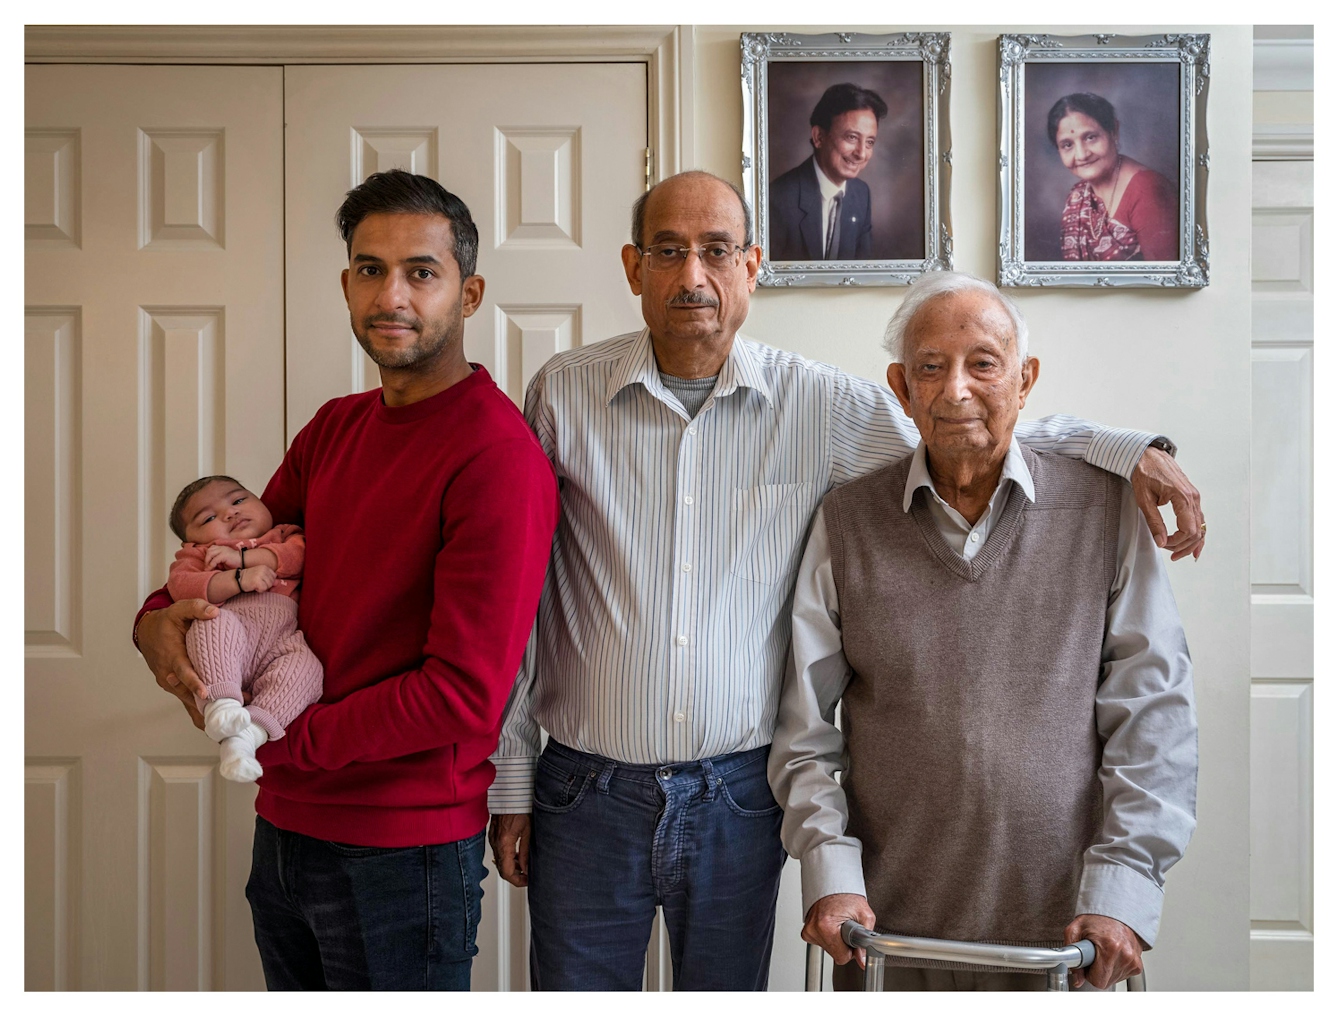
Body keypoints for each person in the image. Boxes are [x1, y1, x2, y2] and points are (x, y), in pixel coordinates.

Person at [486, 170, 1206, 991]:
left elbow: (964, 429)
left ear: (753, 265)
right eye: (668, 251)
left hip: (738, 795)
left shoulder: (819, 403)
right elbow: (520, 596)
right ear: (632, 265)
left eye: (717, 251)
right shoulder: (561, 394)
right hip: (585, 790)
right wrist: (511, 772)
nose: (693, 276)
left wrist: (1123, 449)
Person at [133, 170, 559, 990]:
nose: (390, 294)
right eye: (370, 269)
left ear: (467, 295)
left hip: (402, 853)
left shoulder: (497, 460)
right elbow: (242, 551)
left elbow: (463, 694)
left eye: (420, 272)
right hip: (284, 829)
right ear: (345, 284)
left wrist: (286, 739)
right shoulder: (336, 426)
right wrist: (156, 618)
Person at [768, 271, 1198, 991]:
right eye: (930, 368)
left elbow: (1154, 713)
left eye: (983, 364)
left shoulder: (1102, 510)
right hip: (886, 937)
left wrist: (1122, 889)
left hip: (1068, 937)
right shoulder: (847, 521)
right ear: (901, 389)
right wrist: (829, 875)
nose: (956, 389)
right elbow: (804, 731)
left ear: (1025, 380)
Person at [166, 475, 322, 783]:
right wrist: (236, 580)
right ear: (191, 540)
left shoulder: (283, 534)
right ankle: (221, 706)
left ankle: (249, 735)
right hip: (230, 637)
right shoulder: (201, 553)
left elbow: (300, 558)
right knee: (210, 622)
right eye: (209, 517)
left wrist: (244, 559)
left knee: (307, 668)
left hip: (282, 641)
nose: (230, 513)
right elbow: (181, 585)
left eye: (238, 500)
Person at [1048, 92, 1179, 262]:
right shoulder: (1077, 195)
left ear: (1114, 132)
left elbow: (1166, 282)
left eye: (1090, 137)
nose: (1081, 155)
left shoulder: (1147, 190)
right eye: (1067, 145)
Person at [769, 83, 887, 262]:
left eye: (869, 142)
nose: (861, 153)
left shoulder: (861, 194)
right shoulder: (778, 199)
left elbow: (863, 271)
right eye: (852, 137)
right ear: (819, 137)